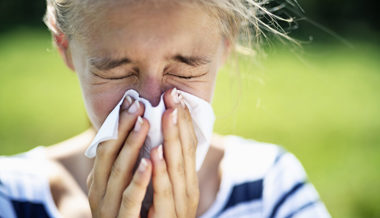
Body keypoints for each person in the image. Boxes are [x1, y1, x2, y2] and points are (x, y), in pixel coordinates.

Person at [0, 0, 331, 217]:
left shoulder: (271, 189)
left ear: (225, 45)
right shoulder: (10, 197)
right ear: (65, 47)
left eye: (186, 67)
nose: (153, 106)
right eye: (116, 68)